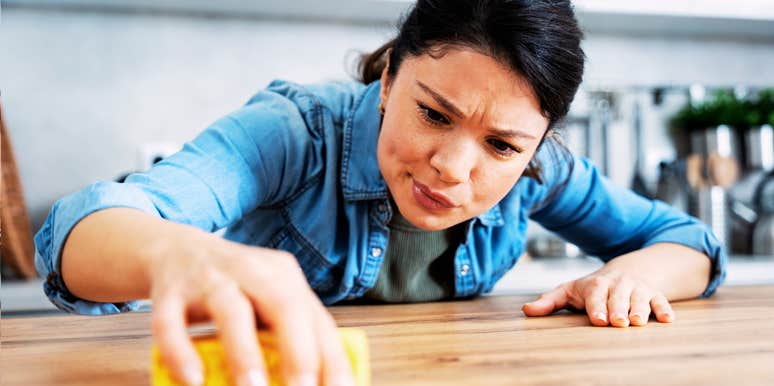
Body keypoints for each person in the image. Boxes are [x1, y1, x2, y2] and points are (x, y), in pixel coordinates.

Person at [34, 1, 726, 385]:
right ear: (391, 77)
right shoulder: (293, 132)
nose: (454, 167)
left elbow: (691, 244)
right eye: (433, 113)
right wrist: (177, 256)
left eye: (502, 146)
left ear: (537, 144)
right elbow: (75, 234)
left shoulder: (541, 170)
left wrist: (631, 272)